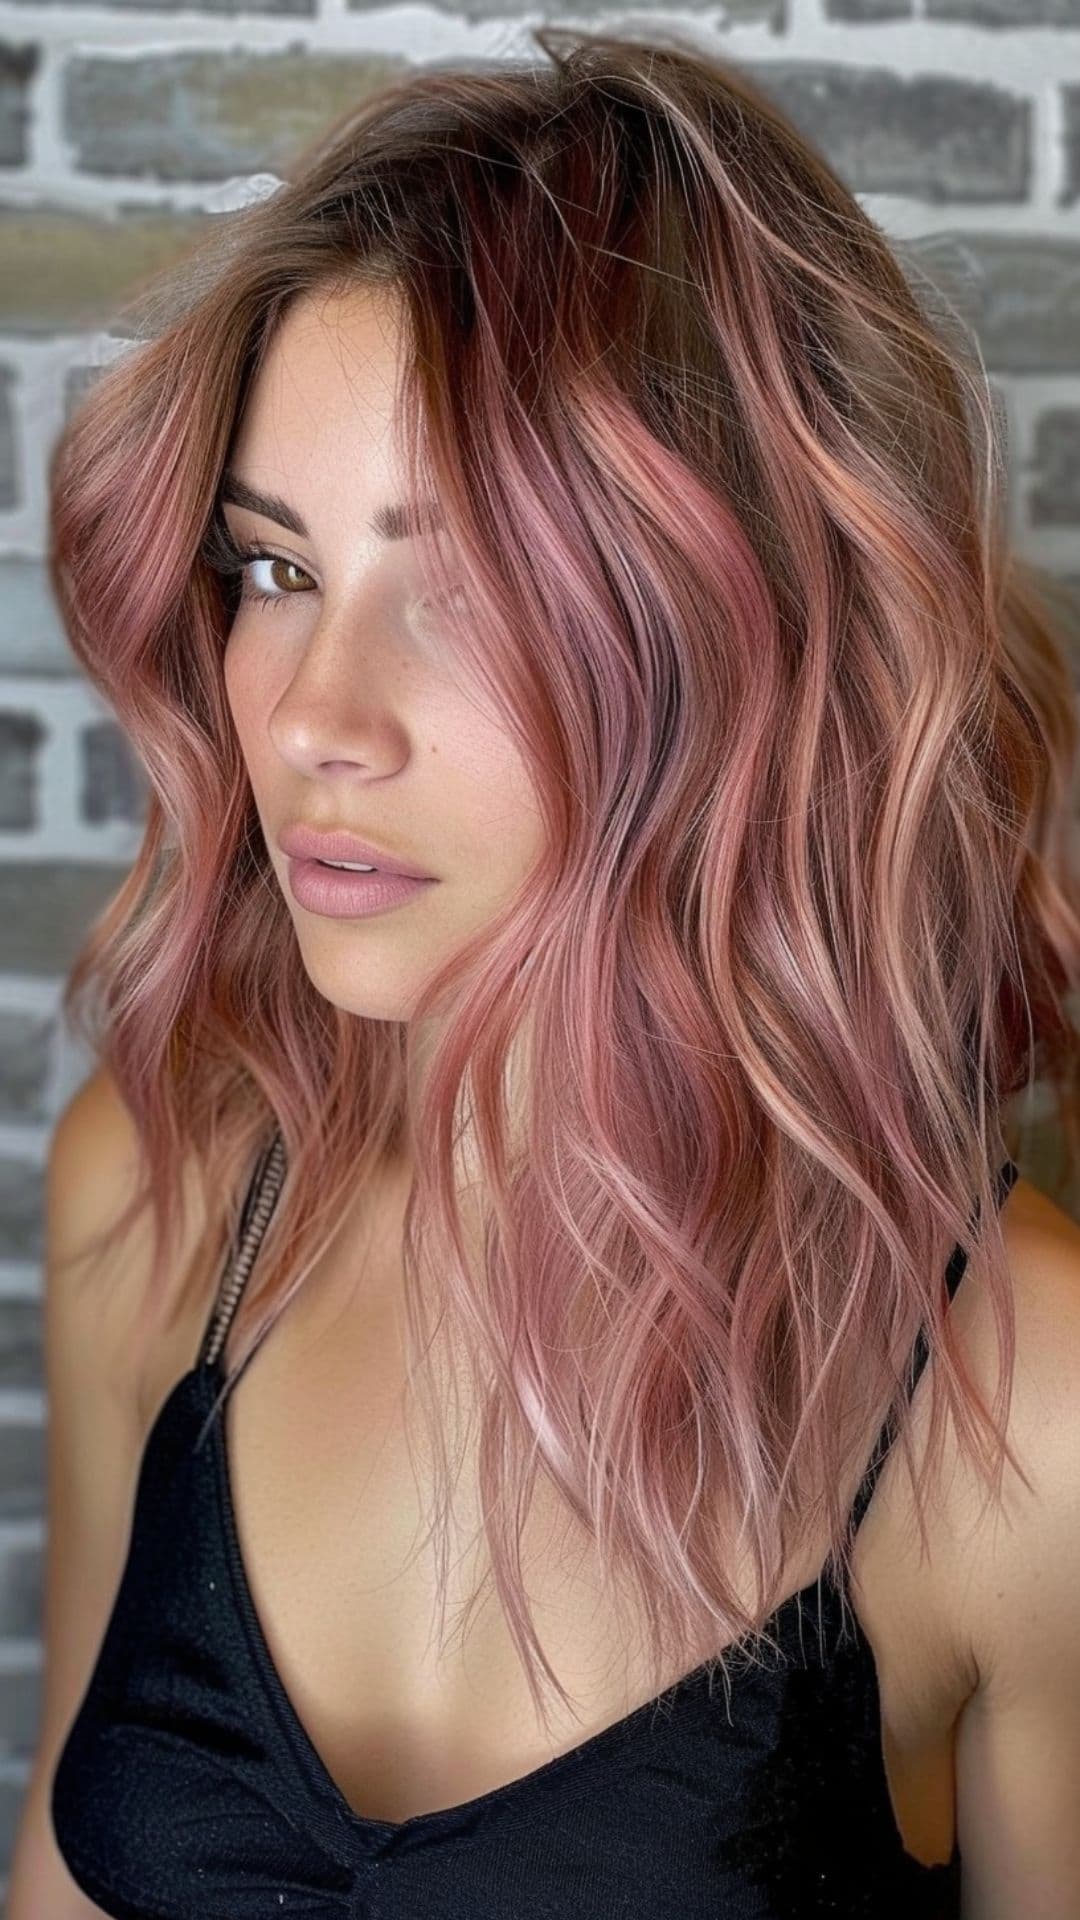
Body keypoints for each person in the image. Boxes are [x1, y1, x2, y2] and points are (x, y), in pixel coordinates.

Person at [7, 26, 1080, 1920]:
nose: (317, 723)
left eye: (472, 593)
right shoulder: (157, 1200)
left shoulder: (1029, 1410)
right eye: (275, 572)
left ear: (727, 643)